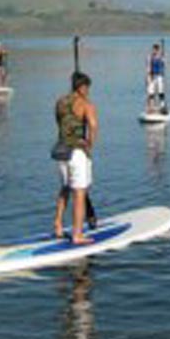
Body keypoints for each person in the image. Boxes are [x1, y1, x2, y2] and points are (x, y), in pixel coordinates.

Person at [53, 72, 98, 245]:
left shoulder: (60, 102)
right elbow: (93, 126)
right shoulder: (86, 105)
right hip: (77, 152)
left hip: (61, 150)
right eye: (87, 88)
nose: (88, 91)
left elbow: (60, 123)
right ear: (82, 87)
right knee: (79, 193)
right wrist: (89, 145)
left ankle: (57, 225)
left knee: (65, 188)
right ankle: (77, 234)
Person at [146, 43, 166, 112]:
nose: (155, 51)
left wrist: (162, 59)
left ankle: (162, 106)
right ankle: (151, 107)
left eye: (156, 50)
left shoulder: (162, 57)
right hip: (152, 75)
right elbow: (148, 67)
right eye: (154, 50)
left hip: (159, 76)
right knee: (151, 92)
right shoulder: (149, 57)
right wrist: (148, 77)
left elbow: (164, 65)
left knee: (161, 91)